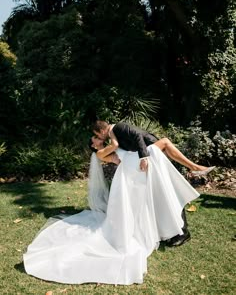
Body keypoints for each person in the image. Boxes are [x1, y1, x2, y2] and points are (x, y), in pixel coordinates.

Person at [23, 135, 200, 285]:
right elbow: (116, 156)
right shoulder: (101, 152)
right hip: (129, 176)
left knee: (147, 203)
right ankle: (191, 169)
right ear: (93, 145)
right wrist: (115, 137)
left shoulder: (110, 147)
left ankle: (170, 226)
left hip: (132, 175)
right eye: (95, 138)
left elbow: (120, 152)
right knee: (140, 205)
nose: (98, 138)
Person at [92, 120, 215, 246]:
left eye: (97, 135)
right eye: (95, 139)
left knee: (166, 190)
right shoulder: (108, 145)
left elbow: (136, 136)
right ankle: (171, 230)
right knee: (160, 195)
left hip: (147, 157)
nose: (98, 138)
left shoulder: (118, 129)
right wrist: (105, 142)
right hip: (138, 171)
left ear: (101, 131)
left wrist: (143, 157)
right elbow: (116, 151)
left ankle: (181, 230)